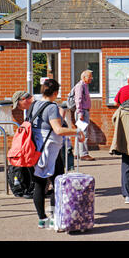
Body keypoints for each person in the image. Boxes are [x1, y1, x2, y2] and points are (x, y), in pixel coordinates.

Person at [29, 79, 85, 229]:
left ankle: (42, 219)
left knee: (39, 184)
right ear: (55, 92)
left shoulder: (34, 104)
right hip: (51, 150)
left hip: (36, 150)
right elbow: (58, 130)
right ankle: (55, 216)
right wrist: (77, 131)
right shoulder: (52, 107)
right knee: (57, 183)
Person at [73, 70, 95, 161]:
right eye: (90, 77)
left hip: (83, 111)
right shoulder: (80, 86)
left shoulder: (84, 86)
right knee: (83, 133)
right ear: (84, 77)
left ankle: (77, 153)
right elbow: (78, 100)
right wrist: (80, 113)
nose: (91, 78)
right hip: (82, 112)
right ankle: (83, 154)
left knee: (80, 132)